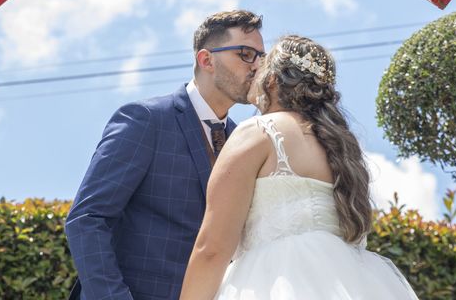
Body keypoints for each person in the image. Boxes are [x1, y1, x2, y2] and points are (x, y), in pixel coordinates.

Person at [180, 34, 420, 299]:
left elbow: (212, 249)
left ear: (271, 80)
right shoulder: (341, 148)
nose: (253, 72)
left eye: (261, 66)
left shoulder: (260, 132)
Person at [65, 10, 265, 300]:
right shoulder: (145, 119)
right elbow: (87, 218)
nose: (257, 66)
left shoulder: (245, 140)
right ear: (206, 60)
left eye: (261, 56)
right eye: (246, 54)